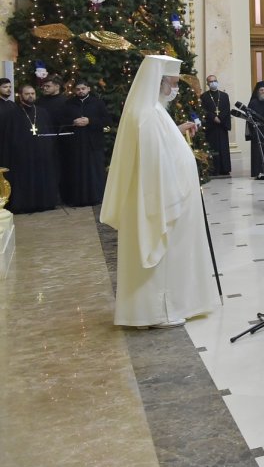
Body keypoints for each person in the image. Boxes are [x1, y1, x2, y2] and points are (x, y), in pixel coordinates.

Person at [100, 56, 219, 328]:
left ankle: (169, 306)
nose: (175, 89)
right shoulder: (147, 114)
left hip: (164, 197)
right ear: (160, 81)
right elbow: (154, 164)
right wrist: (176, 188)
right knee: (160, 258)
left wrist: (177, 130)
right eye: (174, 84)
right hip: (158, 200)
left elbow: (160, 144)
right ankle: (159, 312)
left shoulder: (152, 111)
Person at [0, 84, 60, 213]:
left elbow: (49, 133)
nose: (30, 96)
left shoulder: (42, 112)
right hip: (22, 155)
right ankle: (25, 205)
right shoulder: (12, 114)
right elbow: (9, 137)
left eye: (32, 93)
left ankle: (44, 203)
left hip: (41, 154)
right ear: (20, 95)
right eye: (27, 94)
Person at [60, 78, 109, 207]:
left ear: (88, 89)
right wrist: (73, 122)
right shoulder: (68, 104)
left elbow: (106, 120)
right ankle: (77, 198)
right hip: (75, 144)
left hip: (93, 143)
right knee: (76, 171)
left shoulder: (97, 103)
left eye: (83, 89)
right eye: (78, 89)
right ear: (74, 90)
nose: (81, 91)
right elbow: (62, 120)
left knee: (94, 171)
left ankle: (95, 197)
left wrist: (90, 121)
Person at [200, 74, 232, 176]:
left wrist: (220, 119)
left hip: (222, 126)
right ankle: (213, 169)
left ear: (217, 81)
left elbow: (227, 109)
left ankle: (224, 168)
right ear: (207, 84)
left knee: (223, 147)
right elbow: (203, 110)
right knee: (213, 148)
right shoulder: (204, 96)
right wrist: (213, 117)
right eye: (210, 81)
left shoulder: (224, 95)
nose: (213, 83)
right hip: (211, 126)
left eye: (214, 80)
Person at [245, 81, 264, 179]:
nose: (263, 92)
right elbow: (249, 118)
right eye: (261, 90)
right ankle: (258, 173)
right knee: (258, 153)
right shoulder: (253, 103)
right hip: (257, 132)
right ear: (258, 91)